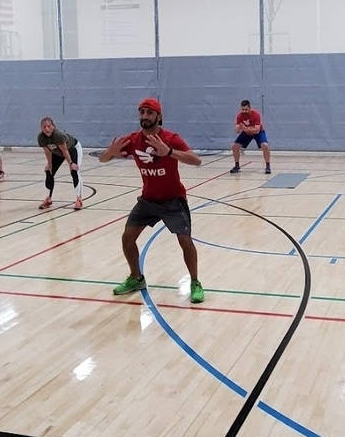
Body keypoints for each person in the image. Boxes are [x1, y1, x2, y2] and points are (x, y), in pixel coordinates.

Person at [99, 97, 206, 304]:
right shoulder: (133, 140)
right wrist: (109, 153)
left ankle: (195, 282)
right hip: (148, 200)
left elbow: (197, 160)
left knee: (185, 240)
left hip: (173, 200)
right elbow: (103, 159)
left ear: (159, 116)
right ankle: (136, 278)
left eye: (149, 112)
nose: (145, 116)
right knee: (127, 238)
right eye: (142, 112)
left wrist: (169, 152)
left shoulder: (171, 138)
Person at [37, 117, 83, 211]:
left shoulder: (58, 135)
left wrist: (70, 163)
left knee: (74, 170)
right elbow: (47, 152)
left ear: (53, 126)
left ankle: (79, 199)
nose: (47, 129)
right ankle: (48, 199)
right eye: (44, 127)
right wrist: (49, 164)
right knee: (49, 171)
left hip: (72, 149)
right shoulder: (41, 137)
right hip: (57, 153)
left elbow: (65, 151)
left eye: (49, 126)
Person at [231, 99, 271, 175]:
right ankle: (237, 165)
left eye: (246, 109)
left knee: (265, 146)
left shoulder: (256, 114)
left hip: (258, 133)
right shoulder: (239, 116)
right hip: (246, 133)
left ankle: (268, 166)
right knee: (234, 146)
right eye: (243, 109)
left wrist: (246, 128)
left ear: (249, 108)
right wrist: (239, 127)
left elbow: (257, 130)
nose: (244, 111)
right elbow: (237, 130)